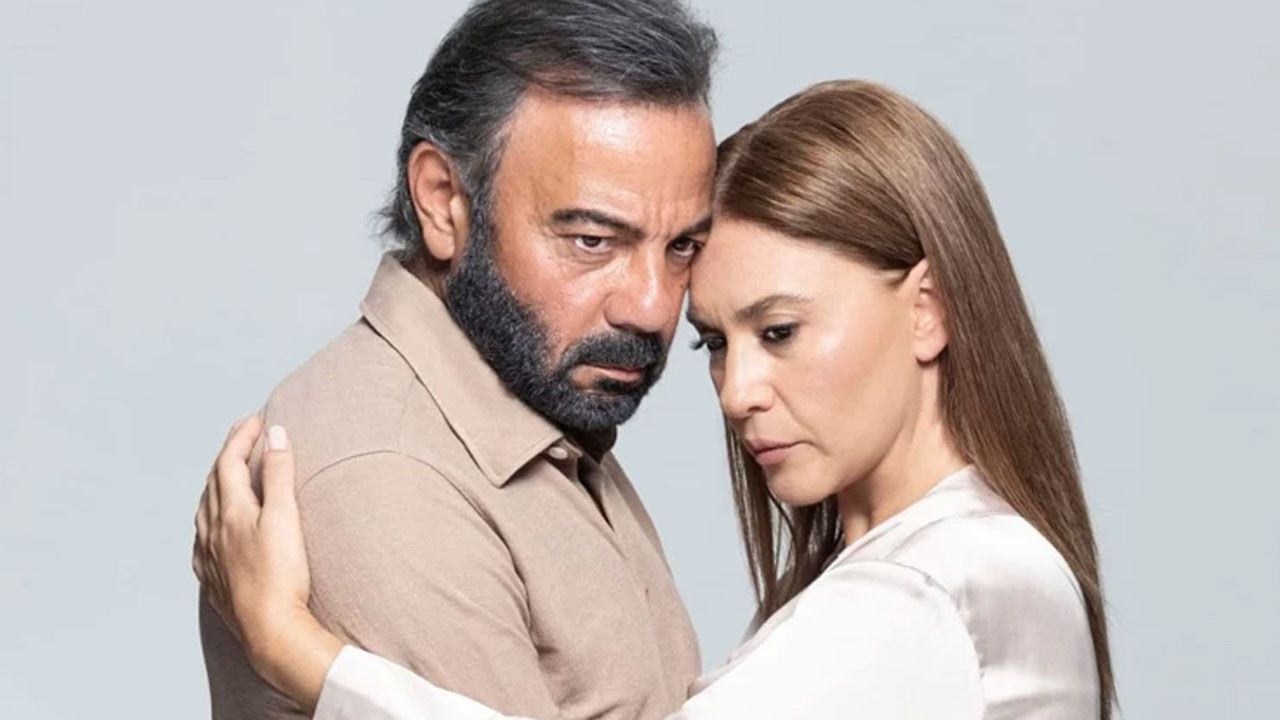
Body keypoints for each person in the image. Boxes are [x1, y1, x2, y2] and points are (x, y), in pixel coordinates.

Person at [195, 80, 1117, 718]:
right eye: (715, 342)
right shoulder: (946, 569)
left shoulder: (932, 590)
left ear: (928, 310)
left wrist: (296, 651)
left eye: (780, 331)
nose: (736, 393)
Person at [196, 1, 720, 718]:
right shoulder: (391, 479)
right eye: (593, 241)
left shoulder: (537, 409)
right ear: (443, 201)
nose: (655, 307)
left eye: (683, 246)